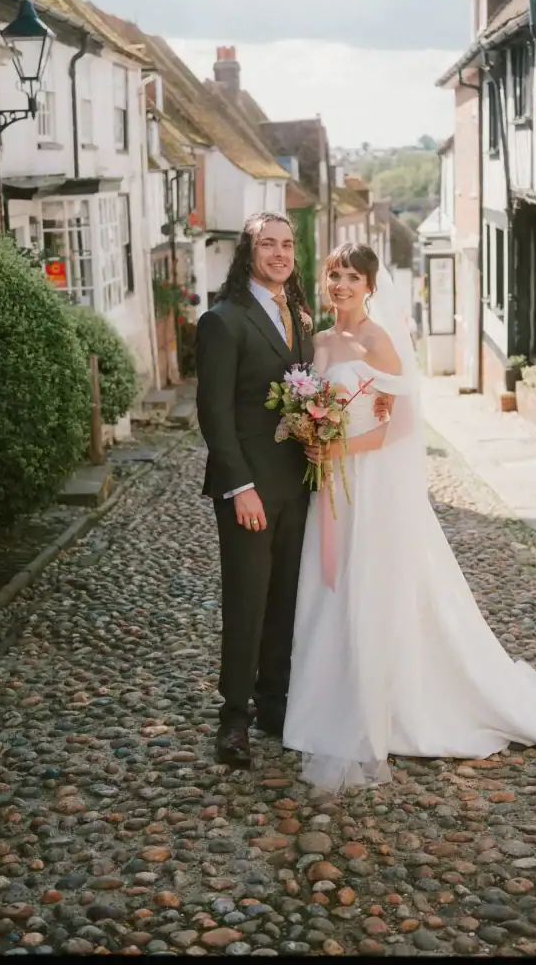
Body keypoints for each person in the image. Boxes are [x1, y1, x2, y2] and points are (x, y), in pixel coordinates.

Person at [283, 242, 536, 795]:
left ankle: (385, 704)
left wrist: (339, 448)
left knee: (369, 586)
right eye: (333, 273)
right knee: (329, 585)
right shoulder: (319, 339)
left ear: (370, 286)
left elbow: (402, 426)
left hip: (369, 487)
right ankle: (320, 706)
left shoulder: (379, 342)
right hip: (331, 491)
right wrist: (310, 434)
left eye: (351, 276)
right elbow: (315, 403)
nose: (340, 284)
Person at [196, 212, 390, 769]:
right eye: (268, 244)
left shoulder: (303, 321)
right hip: (251, 490)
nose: (280, 253)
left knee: (286, 601)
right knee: (247, 602)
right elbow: (214, 415)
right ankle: (233, 721)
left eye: (287, 244)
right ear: (248, 252)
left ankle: (274, 705)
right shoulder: (223, 320)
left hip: (302, 486)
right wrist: (241, 488)